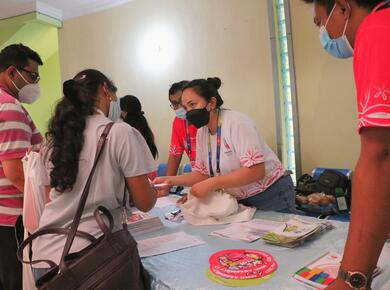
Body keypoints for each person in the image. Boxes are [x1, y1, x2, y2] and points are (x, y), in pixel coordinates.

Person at [31, 69, 157, 281]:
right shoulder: (118, 132)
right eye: (114, 95)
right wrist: (152, 190)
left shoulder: (53, 140)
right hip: (93, 259)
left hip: (46, 260)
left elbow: (48, 200)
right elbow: (144, 202)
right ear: (105, 90)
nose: (115, 101)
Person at [301, 1, 390, 289]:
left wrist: (351, 279)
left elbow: (381, 155)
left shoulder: (377, 28)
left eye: (319, 23)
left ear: (342, 8)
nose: (324, 35)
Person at [154, 77, 296, 212]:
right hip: (239, 197)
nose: (189, 112)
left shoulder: (237, 122)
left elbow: (256, 171)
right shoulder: (202, 132)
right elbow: (202, 173)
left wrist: (212, 183)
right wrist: (170, 180)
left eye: (193, 105)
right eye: (186, 107)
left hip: (271, 194)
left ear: (212, 103)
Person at [0, 43, 43, 290]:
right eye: (32, 75)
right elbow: (17, 175)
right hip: (14, 217)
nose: (35, 83)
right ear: (12, 73)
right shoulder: (9, 106)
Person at [120, 94, 158, 179]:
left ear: (124, 112)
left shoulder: (128, 132)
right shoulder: (145, 129)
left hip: (138, 178)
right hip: (149, 177)